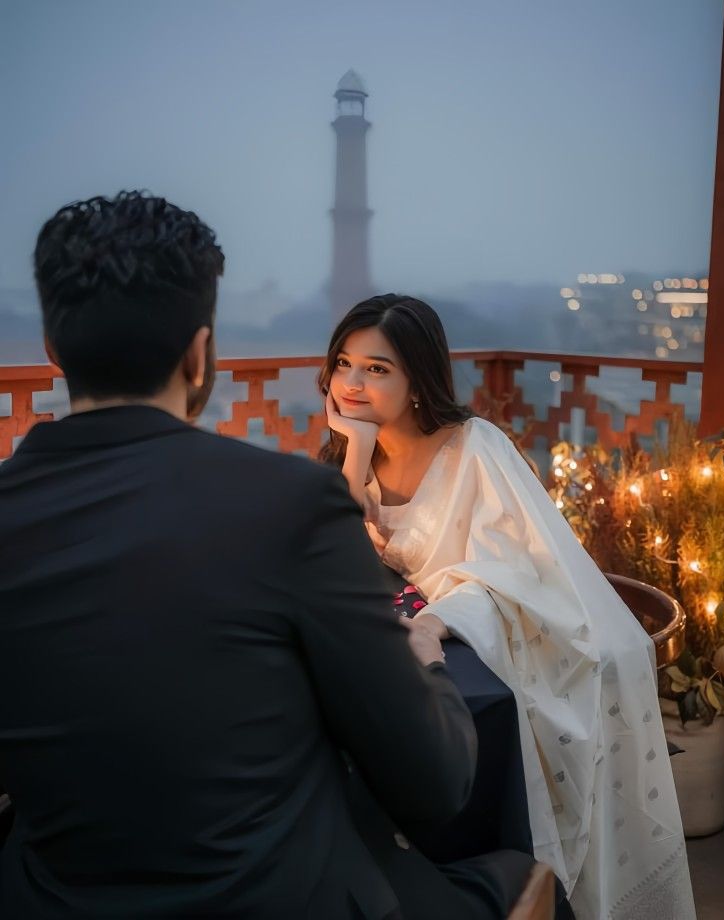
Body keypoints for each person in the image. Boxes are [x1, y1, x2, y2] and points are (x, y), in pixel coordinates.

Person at [0, 193, 537, 919]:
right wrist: (433, 661)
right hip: (273, 898)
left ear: (54, 353)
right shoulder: (287, 505)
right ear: (199, 354)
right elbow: (435, 785)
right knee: (520, 878)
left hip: (48, 896)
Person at [319, 293, 697, 920]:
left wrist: (436, 622)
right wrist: (356, 452)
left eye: (377, 368)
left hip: (520, 629)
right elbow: (334, 552)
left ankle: (497, 880)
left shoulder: (475, 448)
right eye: (343, 363)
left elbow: (513, 572)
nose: (352, 383)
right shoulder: (356, 450)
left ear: (417, 378)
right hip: (428, 627)